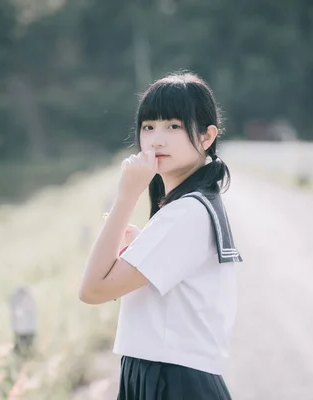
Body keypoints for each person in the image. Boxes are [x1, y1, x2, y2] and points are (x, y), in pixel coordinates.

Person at [78, 71, 242, 399]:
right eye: (148, 126)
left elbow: (93, 289)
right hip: (170, 375)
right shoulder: (191, 205)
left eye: (174, 126)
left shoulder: (186, 213)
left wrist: (126, 196)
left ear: (207, 136)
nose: (156, 139)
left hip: (171, 380)